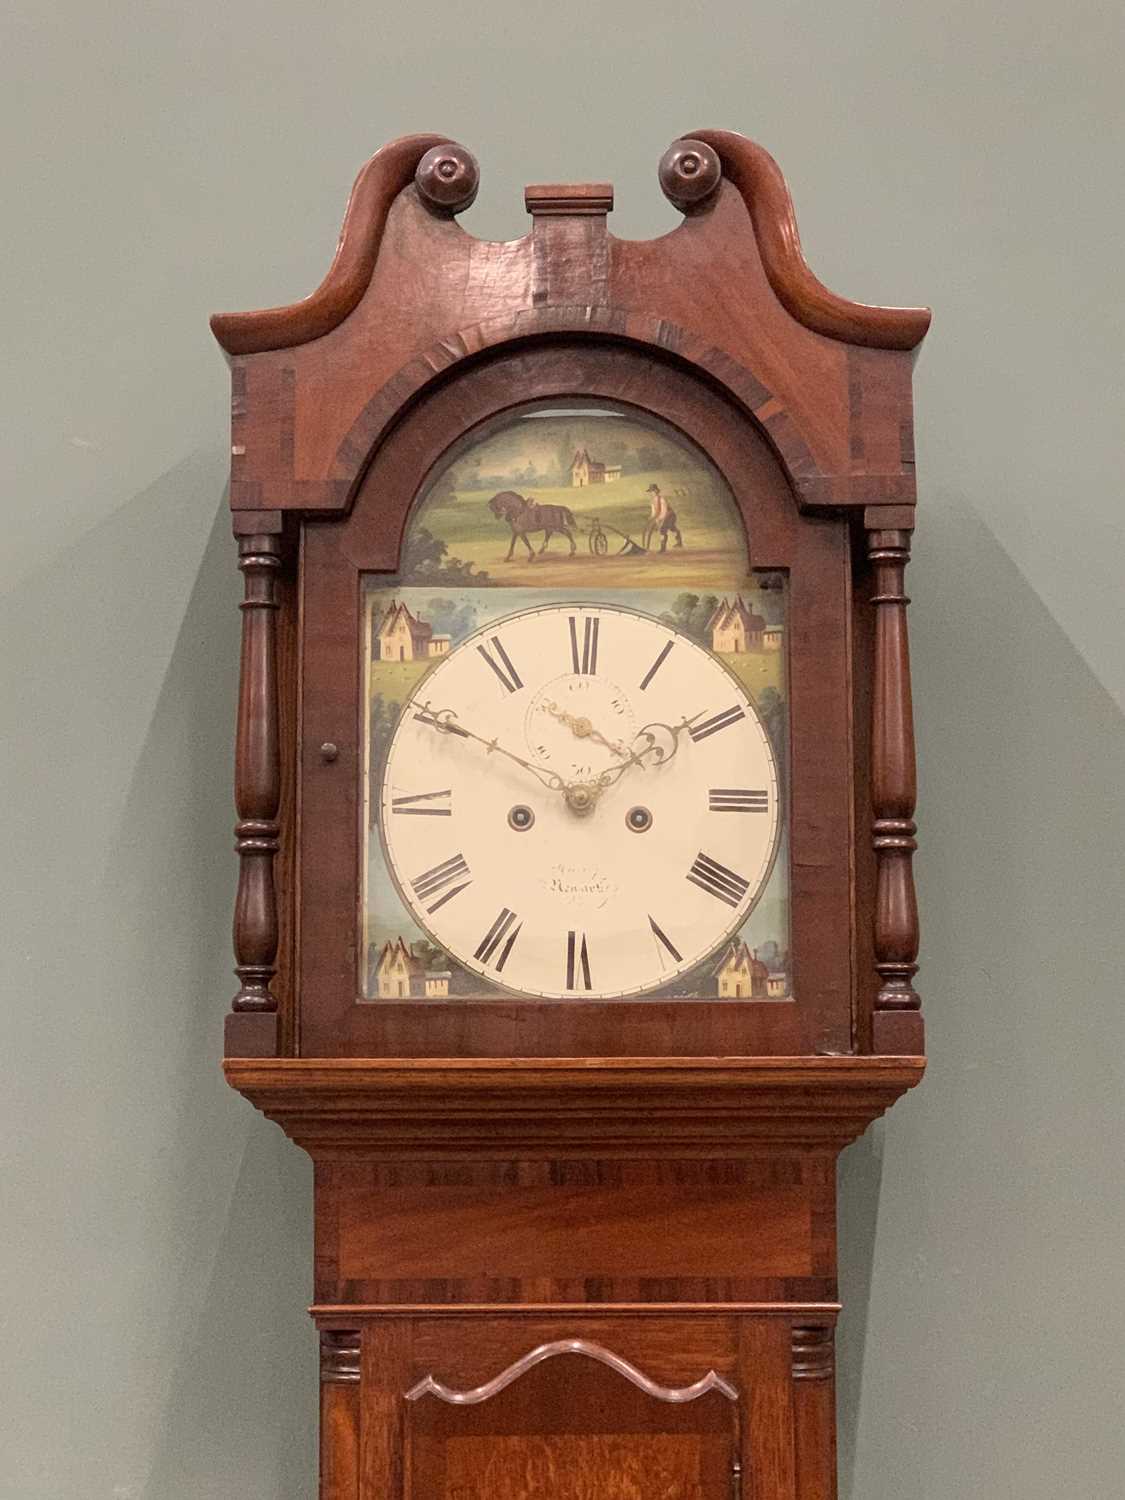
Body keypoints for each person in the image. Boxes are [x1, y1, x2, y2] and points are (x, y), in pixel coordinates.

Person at [646, 482, 683, 551]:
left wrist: (659, 520)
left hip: (670, 515)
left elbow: (664, 511)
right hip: (664, 516)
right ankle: (679, 541)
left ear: (657, 491)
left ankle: (663, 548)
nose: (652, 493)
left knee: (662, 529)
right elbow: (654, 512)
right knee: (671, 528)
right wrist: (651, 518)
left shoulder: (662, 499)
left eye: (653, 491)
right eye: (651, 491)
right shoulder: (652, 501)